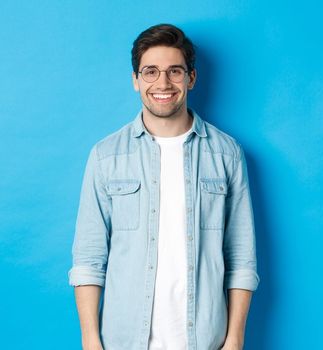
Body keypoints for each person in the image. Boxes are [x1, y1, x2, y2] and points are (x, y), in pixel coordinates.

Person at [68, 23, 259, 350]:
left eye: (174, 71)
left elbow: (241, 258)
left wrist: (235, 340)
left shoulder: (226, 154)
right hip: (124, 341)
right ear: (135, 80)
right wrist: (90, 341)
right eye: (151, 72)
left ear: (191, 78)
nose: (163, 83)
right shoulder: (106, 156)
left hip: (204, 340)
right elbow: (88, 258)